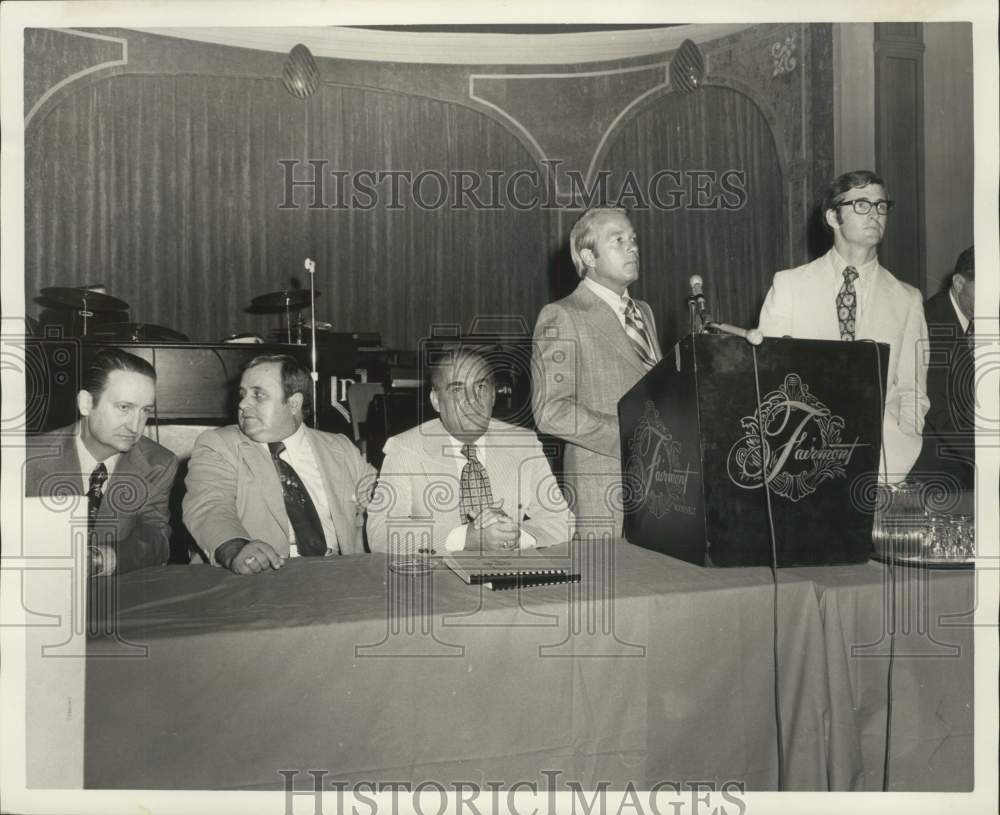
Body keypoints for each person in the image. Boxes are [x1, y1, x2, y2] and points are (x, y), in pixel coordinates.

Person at [757, 170, 929, 481]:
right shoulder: (789, 286)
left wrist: (902, 448)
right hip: (802, 460)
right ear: (834, 217)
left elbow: (912, 390)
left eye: (881, 205)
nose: (875, 214)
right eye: (862, 204)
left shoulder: (907, 299)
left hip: (882, 465)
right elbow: (770, 381)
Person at [367, 345, 572, 554]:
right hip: (438, 578)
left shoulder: (523, 444)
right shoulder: (405, 449)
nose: (472, 400)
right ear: (436, 401)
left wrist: (514, 536)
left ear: (493, 395)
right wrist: (465, 539)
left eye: (481, 387)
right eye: (456, 389)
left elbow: (562, 521)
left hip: (510, 573)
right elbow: (379, 534)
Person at [531, 207, 662, 534]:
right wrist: (631, 437)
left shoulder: (643, 313)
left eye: (633, 239)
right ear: (588, 256)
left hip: (659, 485)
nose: (632, 247)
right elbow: (550, 411)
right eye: (618, 240)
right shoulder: (562, 315)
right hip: (603, 493)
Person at [183, 354, 376, 574]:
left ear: (294, 403)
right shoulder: (219, 445)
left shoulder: (340, 447)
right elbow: (209, 506)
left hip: (337, 573)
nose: (243, 404)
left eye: (258, 395)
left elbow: (378, 496)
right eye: (243, 395)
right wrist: (237, 548)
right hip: (260, 577)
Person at [24, 348, 178, 575]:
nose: (135, 426)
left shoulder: (158, 463)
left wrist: (101, 560)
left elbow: (156, 539)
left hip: (117, 594)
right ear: (86, 403)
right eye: (124, 407)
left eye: (145, 411)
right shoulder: (26, 458)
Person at [913, 246, 975, 489]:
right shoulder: (931, 321)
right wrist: (989, 457)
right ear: (959, 283)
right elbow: (939, 410)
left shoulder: (972, 316)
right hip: (934, 470)